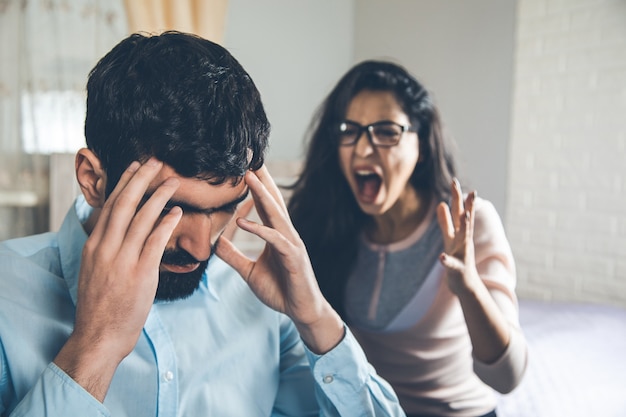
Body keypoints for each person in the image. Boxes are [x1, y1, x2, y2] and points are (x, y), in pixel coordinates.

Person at [0, 32, 406, 417]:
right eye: (168, 208)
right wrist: (95, 348)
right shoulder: (6, 296)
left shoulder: (264, 305)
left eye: (226, 207)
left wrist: (316, 319)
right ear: (93, 179)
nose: (199, 247)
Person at [288, 60, 528, 417]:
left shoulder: (469, 224)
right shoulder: (328, 223)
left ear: (422, 145)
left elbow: (508, 378)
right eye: (349, 130)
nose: (364, 149)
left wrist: (467, 286)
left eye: (386, 131)